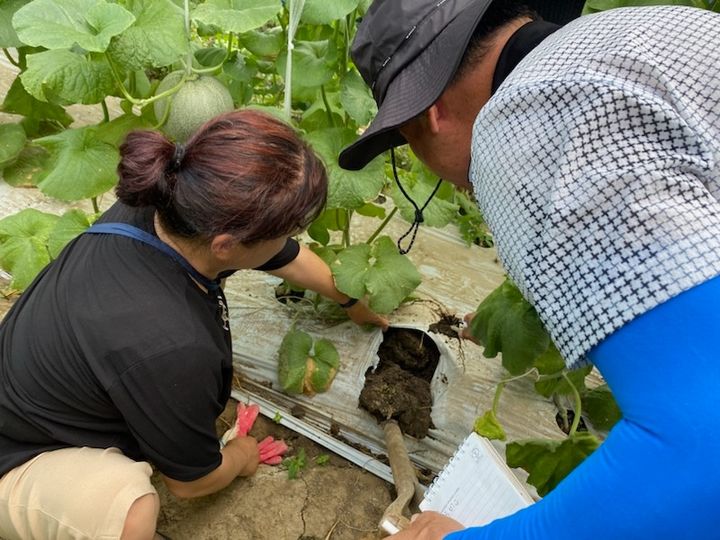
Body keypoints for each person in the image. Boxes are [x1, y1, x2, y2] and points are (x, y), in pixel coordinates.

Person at [339, 1, 720, 538]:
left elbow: (701, 450)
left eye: (407, 143)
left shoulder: (521, 131)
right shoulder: (639, 31)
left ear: (426, 115)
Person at [0, 109, 388, 540]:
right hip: (18, 459)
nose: (290, 240)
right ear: (225, 245)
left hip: (29, 398)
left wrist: (350, 299)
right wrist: (241, 456)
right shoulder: (174, 344)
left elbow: (287, 257)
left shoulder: (161, 204)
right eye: (285, 230)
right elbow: (190, 483)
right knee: (129, 508)